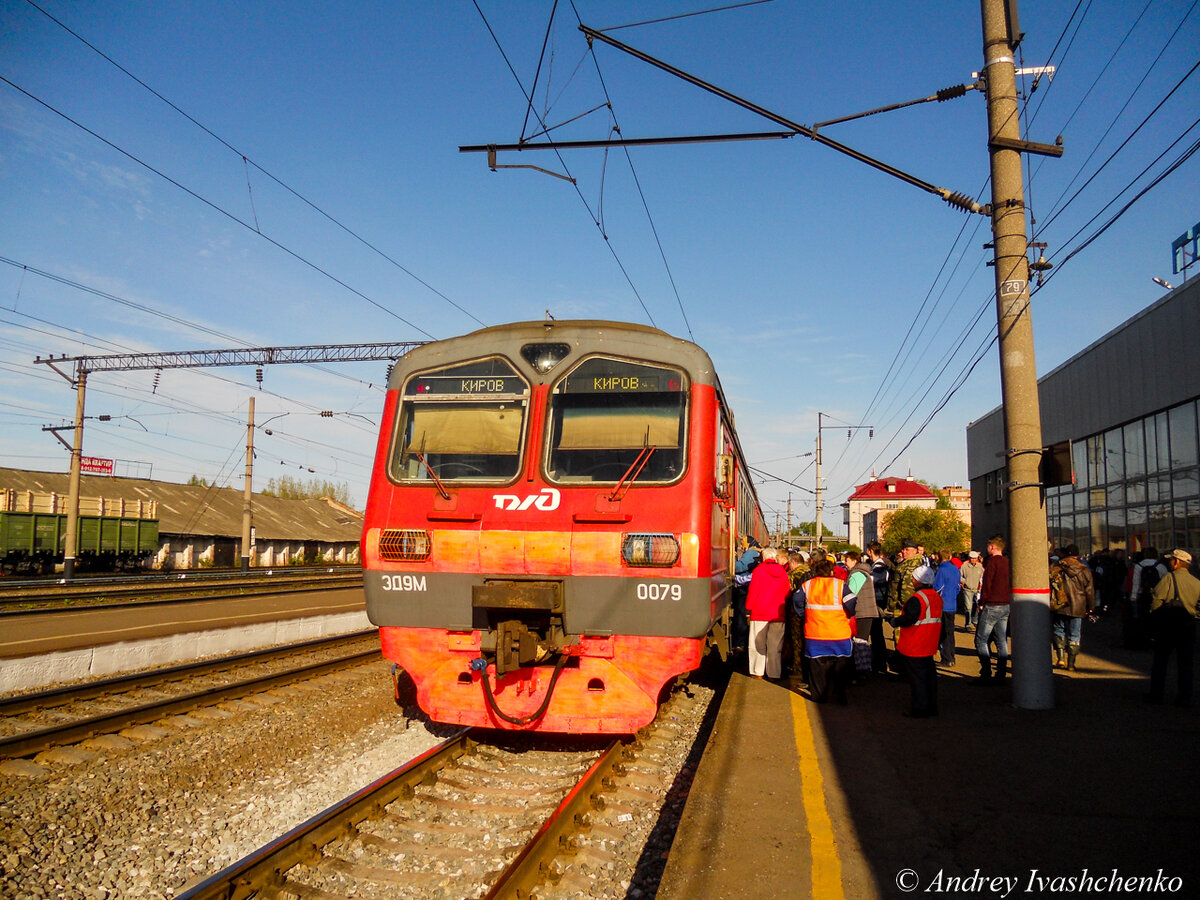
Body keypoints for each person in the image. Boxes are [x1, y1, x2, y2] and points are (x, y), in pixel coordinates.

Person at [796, 557, 856, 703]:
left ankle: (819, 696)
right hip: (839, 634)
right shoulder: (840, 585)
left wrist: (805, 615)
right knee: (840, 668)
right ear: (831, 571)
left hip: (815, 634)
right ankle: (840, 696)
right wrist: (848, 614)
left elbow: (796, 600)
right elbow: (852, 601)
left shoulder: (807, 585)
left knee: (817, 668)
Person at [887, 564, 943, 717]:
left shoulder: (917, 599)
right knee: (930, 677)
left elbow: (909, 619)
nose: (911, 580)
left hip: (915, 644)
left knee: (917, 680)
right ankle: (932, 706)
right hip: (929, 644)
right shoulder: (936, 597)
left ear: (918, 581)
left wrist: (895, 621)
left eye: (913, 578)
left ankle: (919, 708)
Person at [1146, 549, 1200, 707]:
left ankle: (1156, 694)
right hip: (1188, 625)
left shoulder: (1169, 578)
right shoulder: (1196, 582)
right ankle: (1184, 697)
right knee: (1186, 663)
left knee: (1161, 660)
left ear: (1176, 562)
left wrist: (1153, 619)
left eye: (1171, 560)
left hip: (1168, 625)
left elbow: (1157, 601)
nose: (1169, 562)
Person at [745, 548, 791, 680]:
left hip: (760, 612)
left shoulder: (758, 570)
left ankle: (757, 672)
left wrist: (748, 608)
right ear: (775, 557)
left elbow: (753, 591)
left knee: (757, 644)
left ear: (763, 557)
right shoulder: (782, 571)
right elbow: (787, 591)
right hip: (777, 614)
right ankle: (774, 673)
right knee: (775, 645)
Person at [1048, 544, 1094, 671]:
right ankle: (1071, 663)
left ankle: (1060, 658)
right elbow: (1089, 590)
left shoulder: (1056, 566)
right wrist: (1091, 607)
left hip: (1060, 604)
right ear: (1077, 555)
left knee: (1058, 630)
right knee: (1075, 634)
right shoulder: (1084, 570)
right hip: (1078, 606)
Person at [975, 534, 1011, 683]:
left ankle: (986, 672)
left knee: (981, 640)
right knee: (1001, 640)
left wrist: (982, 601)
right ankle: (1001, 672)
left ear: (992, 547)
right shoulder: (1007, 562)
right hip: (1005, 604)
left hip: (992, 604)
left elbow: (987, 584)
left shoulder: (992, 563)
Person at [843, 550, 880, 679]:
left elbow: (850, 594)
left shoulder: (856, 575)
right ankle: (863, 670)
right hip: (866, 611)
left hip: (862, 612)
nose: (844, 563)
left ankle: (861, 671)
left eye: (846, 560)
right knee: (862, 642)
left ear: (854, 561)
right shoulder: (863, 573)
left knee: (860, 643)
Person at [1125, 547, 1165, 649]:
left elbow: (1136, 582)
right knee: (1156, 618)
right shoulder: (1160, 566)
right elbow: (1165, 582)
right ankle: (1155, 638)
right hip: (1157, 596)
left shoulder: (1139, 566)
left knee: (1142, 618)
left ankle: (1142, 639)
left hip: (1143, 595)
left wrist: (1133, 596)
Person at [865, 541, 892, 673]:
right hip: (876, 601)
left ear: (870, 551)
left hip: (877, 601)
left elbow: (871, 581)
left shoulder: (880, 567)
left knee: (876, 634)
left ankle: (880, 663)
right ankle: (879, 661)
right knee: (876, 633)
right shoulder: (876, 565)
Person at [732, 536, 762, 654]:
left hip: (744, 588)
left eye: (743, 542)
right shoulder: (756, 552)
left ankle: (740, 643)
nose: (742, 545)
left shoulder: (751, 552)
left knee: (741, 615)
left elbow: (739, 567)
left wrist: (733, 558)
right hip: (747, 586)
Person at [933, 549, 960, 666]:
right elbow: (958, 586)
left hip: (943, 604)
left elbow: (937, 587)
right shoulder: (955, 569)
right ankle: (952, 656)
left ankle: (946, 658)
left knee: (942, 633)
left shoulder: (942, 570)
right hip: (952, 603)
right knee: (950, 632)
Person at [886, 539, 923, 615]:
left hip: (904, 608)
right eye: (903, 549)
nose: (903, 551)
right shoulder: (907, 563)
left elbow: (906, 589)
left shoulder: (911, 565)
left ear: (915, 551)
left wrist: (903, 607)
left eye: (907, 550)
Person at [959, 550, 984, 631]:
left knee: (978, 605)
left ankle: (975, 620)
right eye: (972, 558)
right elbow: (959, 576)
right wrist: (964, 581)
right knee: (968, 607)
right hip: (967, 589)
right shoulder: (964, 566)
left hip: (977, 589)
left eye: (975, 558)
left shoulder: (980, 567)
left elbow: (982, 577)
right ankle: (968, 624)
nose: (973, 560)